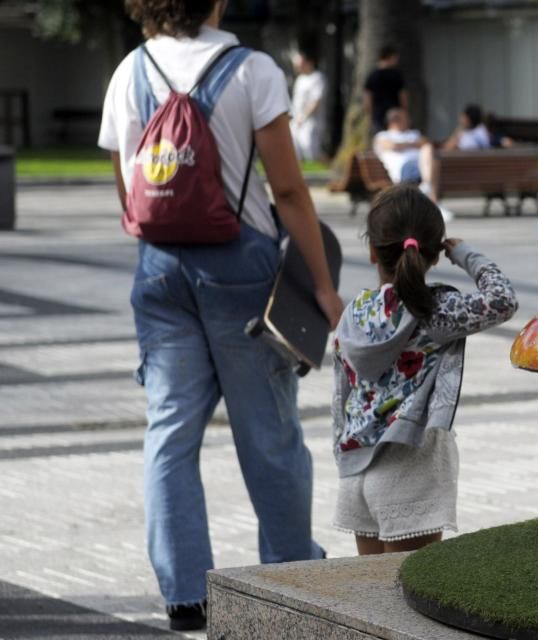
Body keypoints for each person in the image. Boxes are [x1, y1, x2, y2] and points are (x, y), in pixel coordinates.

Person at [97, 0, 343, 630]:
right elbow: (287, 190)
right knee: (269, 435)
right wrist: (320, 283)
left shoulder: (130, 70)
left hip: (159, 270)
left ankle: (186, 596)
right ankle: (289, 578)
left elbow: (130, 189)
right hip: (242, 271)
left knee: (170, 433)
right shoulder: (253, 69)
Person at [331, 184, 517, 555]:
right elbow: (503, 300)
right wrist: (464, 253)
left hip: (357, 469)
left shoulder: (354, 312)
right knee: (405, 599)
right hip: (408, 469)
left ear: (372, 251)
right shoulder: (435, 310)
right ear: (432, 255)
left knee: (371, 596)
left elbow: (341, 391)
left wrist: (342, 449)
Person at [372, 108, 453, 219]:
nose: (409, 121)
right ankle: (432, 198)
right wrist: (414, 144)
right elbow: (392, 146)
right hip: (404, 170)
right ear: (394, 121)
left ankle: (428, 188)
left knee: (429, 151)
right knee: (431, 158)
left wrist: (406, 145)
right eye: (405, 118)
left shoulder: (413, 133)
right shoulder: (383, 135)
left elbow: (427, 143)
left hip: (422, 167)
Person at [290, 48, 327, 161]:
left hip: (311, 121)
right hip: (297, 119)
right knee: (295, 149)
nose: (298, 68)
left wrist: (304, 117)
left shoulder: (317, 78)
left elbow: (316, 101)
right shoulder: (300, 79)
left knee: (311, 150)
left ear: (308, 62)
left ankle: (331, 172)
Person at [364, 45, 406, 134]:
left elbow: (368, 98)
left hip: (378, 115)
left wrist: (371, 115)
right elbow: (403, 96)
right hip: (395, 114)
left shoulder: (373, 75)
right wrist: (404, 112)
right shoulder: (396, 75)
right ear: (391, 57)